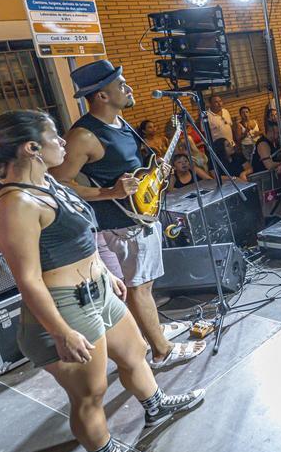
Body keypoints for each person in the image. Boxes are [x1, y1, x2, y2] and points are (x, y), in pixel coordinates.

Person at [0, 111, 203, 452]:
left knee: (134, 353)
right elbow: (28, 279)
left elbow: (82, 234)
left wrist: (104, 271)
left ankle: (156, 404)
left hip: (98, 290)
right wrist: (61, 332)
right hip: (64, 307)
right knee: (91, 393)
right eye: (56, 137)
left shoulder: (51, 184)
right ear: (32, 148)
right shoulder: (14, 203)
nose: (64, 143)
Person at [52, 60, 204, 369]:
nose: (128, 88)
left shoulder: (121, 124)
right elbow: (59, 183)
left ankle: (152, 333)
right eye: (121, 84)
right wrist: (110, 193)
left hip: (141, 215)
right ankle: (162, 351)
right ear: (102, 96)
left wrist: (156, 174)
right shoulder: (84, 135)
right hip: (122, 223)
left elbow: (133, 168)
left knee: (145, 283)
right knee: (139, 286)